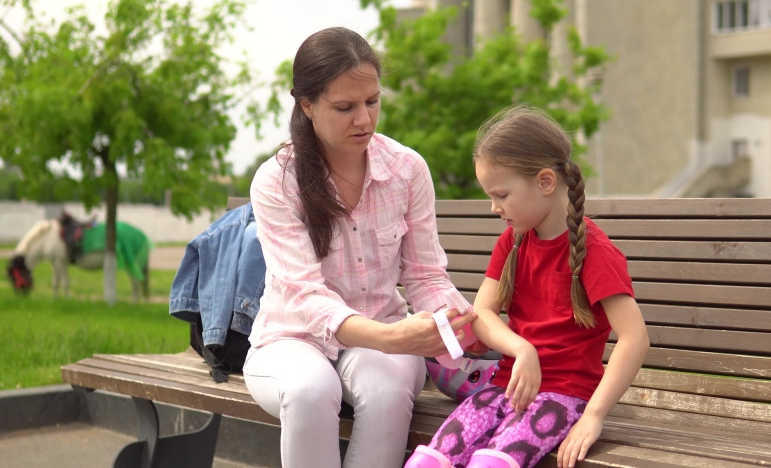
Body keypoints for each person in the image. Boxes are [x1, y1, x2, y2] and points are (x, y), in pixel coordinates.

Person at [243, 27, 477, 468]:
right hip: (292, 337)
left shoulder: (407, 170)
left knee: (386, 391)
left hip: (384, 334)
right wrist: (393, 337)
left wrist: (456, 321)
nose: (364, 120)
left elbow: (426, 276)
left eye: (372, 101)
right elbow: (307, 298)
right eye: (345, 107)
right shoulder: (277, 180)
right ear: (306, 105)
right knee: (311, 390)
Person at [405, 106, 650, 468]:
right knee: (427, 462)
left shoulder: (595, 253)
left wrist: (594, 415)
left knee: (490, 465)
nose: (493, 207)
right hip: (505, 387)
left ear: (545, 182)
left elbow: (635, 337)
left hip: (563, 396)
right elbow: (482, 313)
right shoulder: (513, 242)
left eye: (502, 195)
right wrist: (522, 350)